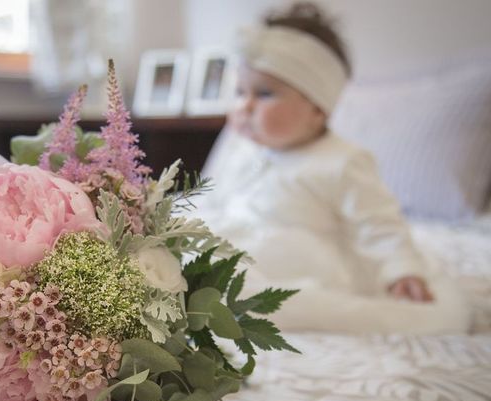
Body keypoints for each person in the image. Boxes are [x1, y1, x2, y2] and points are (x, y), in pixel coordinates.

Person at [195, 2, 470, 334]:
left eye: (264, 94)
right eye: (240, 92)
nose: (245, 105)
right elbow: (220, 199)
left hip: (303, 257)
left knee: (246, 287)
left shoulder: (342, 161)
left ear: (317, 108)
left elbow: (379, 223)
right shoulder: (244, 150)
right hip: (246, 239)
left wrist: (401, 269)